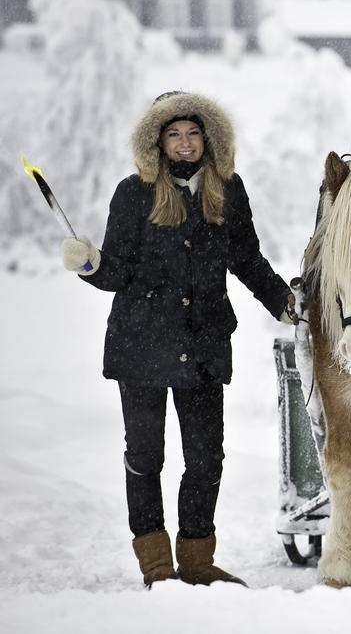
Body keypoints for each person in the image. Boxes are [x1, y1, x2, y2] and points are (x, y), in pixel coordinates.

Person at [60, 91, 297, 587]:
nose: (185, 143)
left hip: (204, 345)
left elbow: (247, 259)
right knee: (146, 457)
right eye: (174, 134)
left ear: (207, 138)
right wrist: (91, 264)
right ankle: (156, 566)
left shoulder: (228, 190)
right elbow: (117, 271)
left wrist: (285, 304)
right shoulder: (133, 192)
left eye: (193, 134)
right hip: (140, 345)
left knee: (207, 458)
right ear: (158, 141)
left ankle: (196, 561)